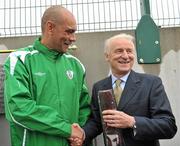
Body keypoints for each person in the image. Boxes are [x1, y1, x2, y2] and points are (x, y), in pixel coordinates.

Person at [3, 5, 91, 146]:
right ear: (50, 27)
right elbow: (19, 108)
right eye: (69, 31)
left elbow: (84, 107)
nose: (73, 38)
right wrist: (67, 129)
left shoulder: (76, 65)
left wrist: (79, 134)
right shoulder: (20, 60)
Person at [83, 33, 177, 146]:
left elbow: (168, 126)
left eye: (129, 51)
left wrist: (132, 122)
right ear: (107, 56)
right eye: (119, 51)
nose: (126, 56)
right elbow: (97, 122)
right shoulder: (99, 86)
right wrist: (81, 134)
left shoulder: (152, 83)